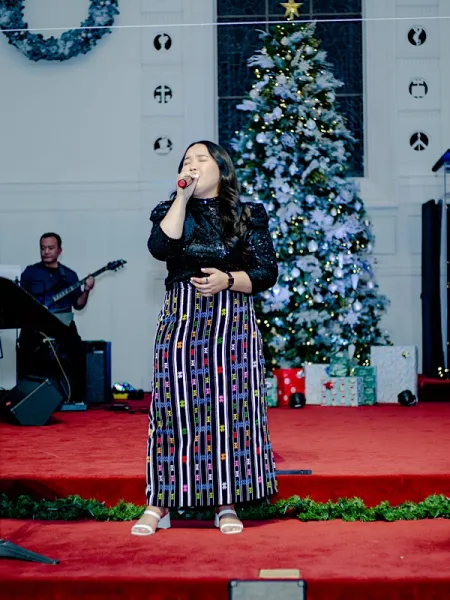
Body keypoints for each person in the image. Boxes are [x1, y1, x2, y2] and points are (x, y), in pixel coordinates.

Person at [131, 141, 278, 537]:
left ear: (221, 168)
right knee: (172, 408)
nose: (192, 165)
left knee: (229, 409)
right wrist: (181, 197)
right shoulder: (171, 210)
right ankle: (159, 503)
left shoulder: (247, 215)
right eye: (186, 161)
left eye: (201, 159)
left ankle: (225, 502)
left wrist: (227, 280)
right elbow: (161, 248)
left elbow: (266, 272)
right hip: (181, 317)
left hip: (231, 321)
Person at [18, 232, 95, 404]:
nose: (46, 252)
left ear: (59, 250)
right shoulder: (30, 273)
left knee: (77, 350)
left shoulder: (69, 275)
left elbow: (78, 305)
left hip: (62, 323)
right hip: (36, 324)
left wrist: (86, 290)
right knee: (25, 348)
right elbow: (21, 301)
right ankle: (26, 398)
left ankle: (76, 397)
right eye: (43, 248)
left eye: (50, 248)